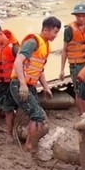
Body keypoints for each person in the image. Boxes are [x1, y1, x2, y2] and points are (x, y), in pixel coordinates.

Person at [11, 16, 61, 152]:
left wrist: (46, 88)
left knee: (34, 114)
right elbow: (18, 61)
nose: (56, 36)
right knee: (38, 115)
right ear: (45, 29)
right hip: (19, 84)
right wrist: (22, 84)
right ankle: (30, 145)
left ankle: (28, 141)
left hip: (30, 85)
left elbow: (39, 69)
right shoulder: (33, 42)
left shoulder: (46, 45)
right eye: (55, 32)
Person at [60, 3, 85, 114]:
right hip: (76, 65)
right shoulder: (69, 29)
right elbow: (64, 50)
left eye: (83, 16)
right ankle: (82, 114)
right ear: (75, 16)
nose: (81, 18)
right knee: (79, 90)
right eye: (79, 16)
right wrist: (62, 70)